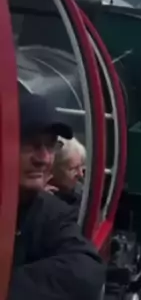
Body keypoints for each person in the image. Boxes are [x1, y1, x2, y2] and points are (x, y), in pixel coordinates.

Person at [8, 87, 106, 300]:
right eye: (31, 144)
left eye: (51, 145)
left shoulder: (52, 212)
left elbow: (86, 269)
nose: (43, 158)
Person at [45, 137, 86, 212]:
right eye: (73, 169)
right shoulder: (35, 195)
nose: (80, 174)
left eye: (81, 166)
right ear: (53, 169)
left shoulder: (82, 196)